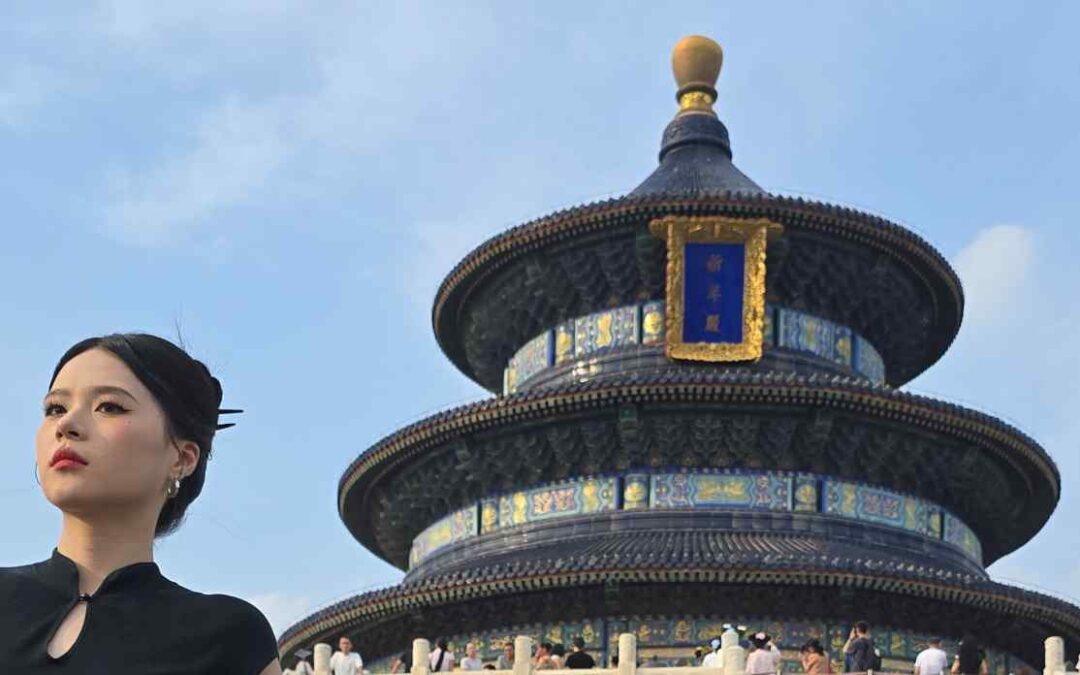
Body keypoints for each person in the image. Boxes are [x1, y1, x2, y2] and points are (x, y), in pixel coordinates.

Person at [0, 334, 280, 674]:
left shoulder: (231, 638)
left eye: (110, 406)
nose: (66, 425)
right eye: (55, 408)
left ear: (182, 457)